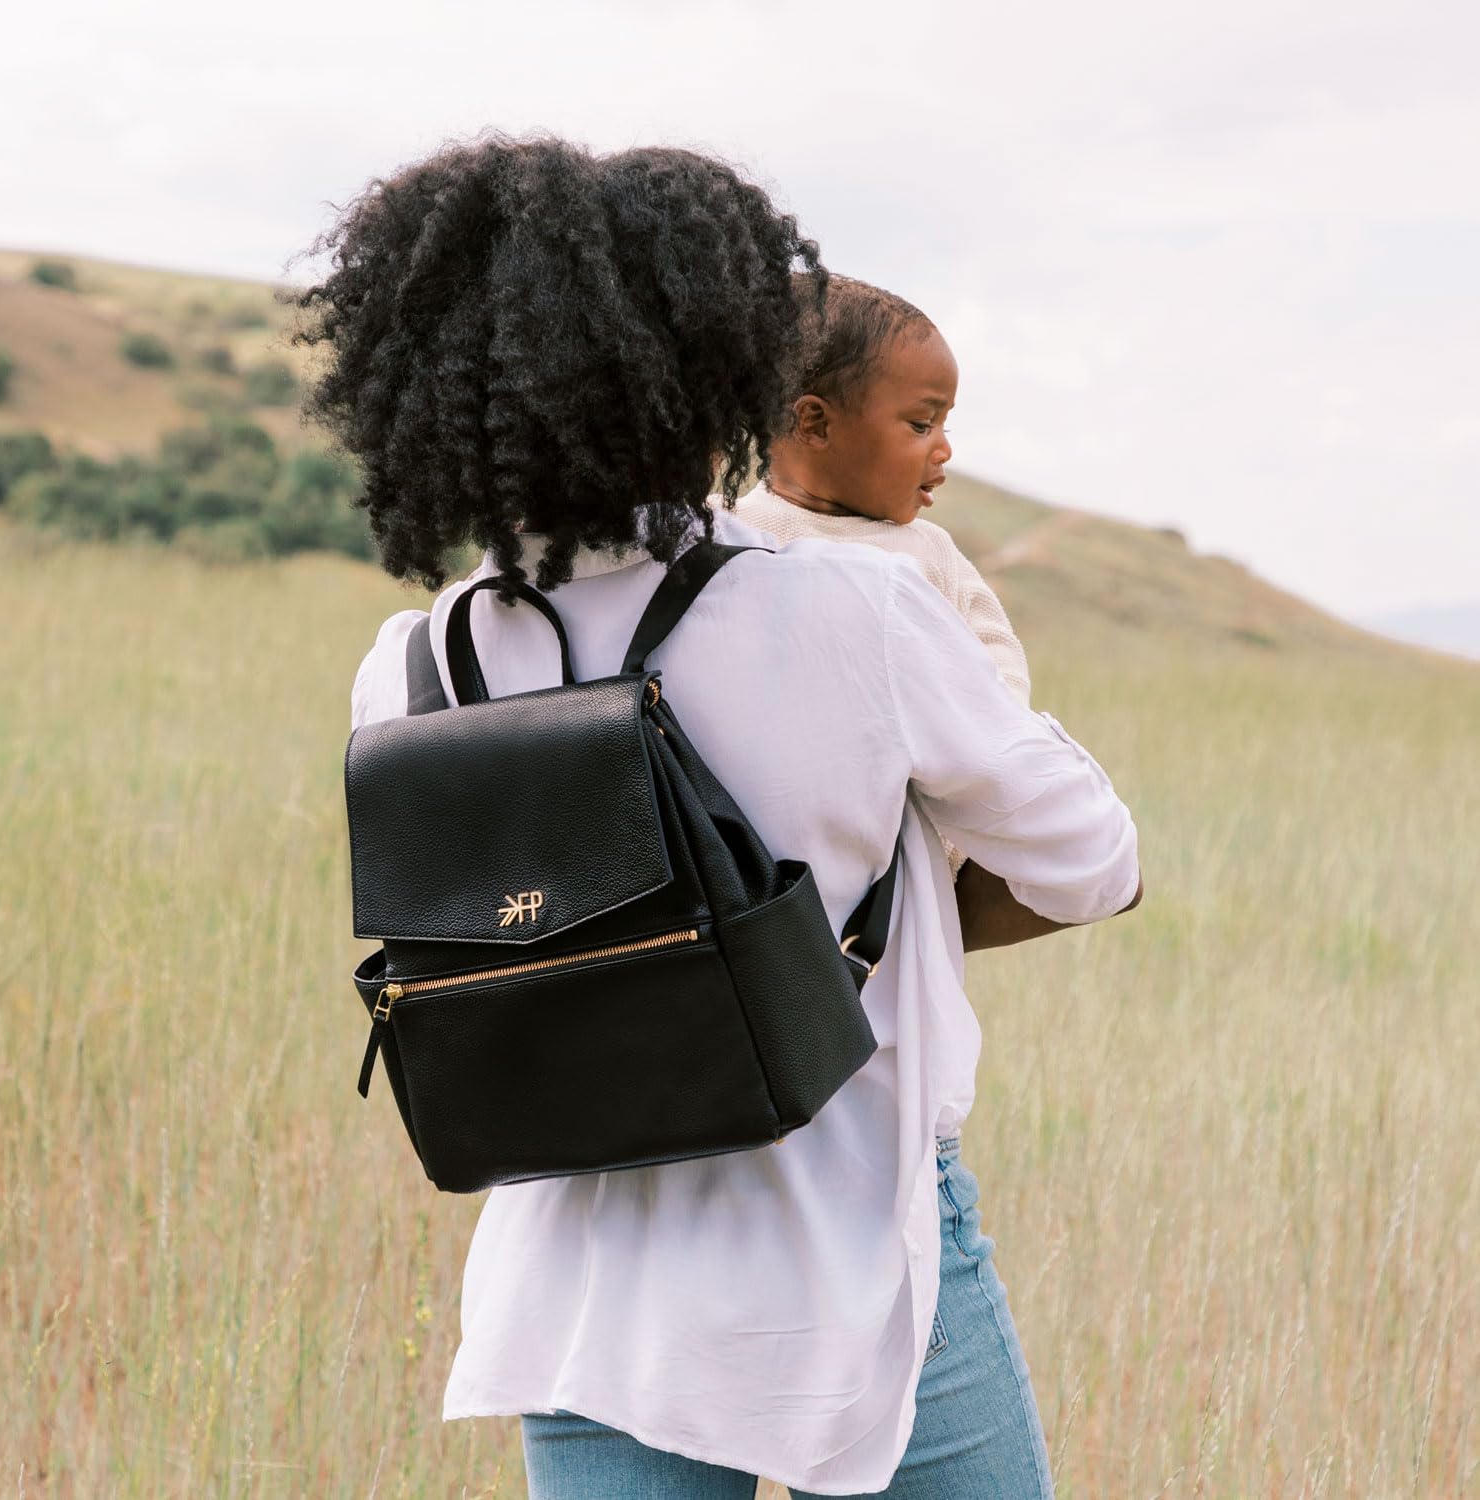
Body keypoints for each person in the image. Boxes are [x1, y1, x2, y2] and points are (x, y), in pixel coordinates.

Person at [293, 133, 1142, 1498]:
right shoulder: (855, 609)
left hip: (572, 1298)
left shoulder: (409, 665)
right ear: (724, 378)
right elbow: (1097, 863)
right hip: (852, 1254)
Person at [712, 272, 1030, 884]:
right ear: (815, 424)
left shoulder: (928, 551)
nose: (943, 450)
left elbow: (999, 659)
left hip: (915, 828)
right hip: (769, 842)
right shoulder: (734, 535)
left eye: (944, 425)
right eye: (920, 425)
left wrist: (970, 749)